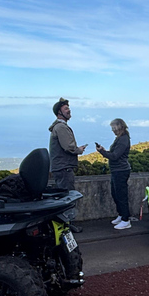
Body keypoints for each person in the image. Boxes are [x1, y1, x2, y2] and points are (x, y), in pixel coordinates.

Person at [49, 98, 87, 232]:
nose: (69, 110)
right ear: (59, 112)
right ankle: (67, 227)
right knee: (67, 197)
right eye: (65, 109)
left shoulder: (58, 127)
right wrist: (79, 150)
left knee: (64, 196)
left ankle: (65, 225)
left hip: (60, 167)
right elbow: (68, 147)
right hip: (64, 167)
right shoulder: (61, 127)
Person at [96, 118, 132, 230]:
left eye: (113, 128)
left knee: (121, 195)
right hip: (116, 171)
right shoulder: (120, 138)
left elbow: (115, 156)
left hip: (121, 171)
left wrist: (102, 152)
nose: (113, 130)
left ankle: (126, 220)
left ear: (119, 126)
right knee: (115, 194)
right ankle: (121, 215)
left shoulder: (123, 139)